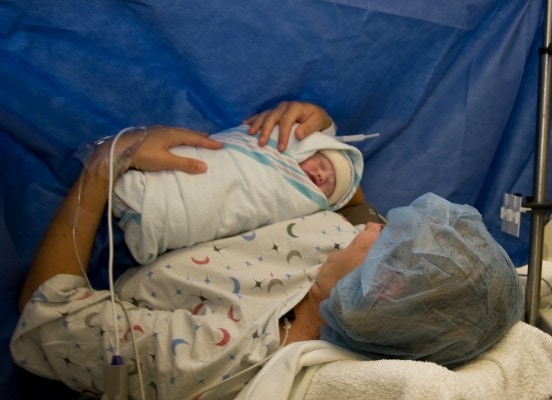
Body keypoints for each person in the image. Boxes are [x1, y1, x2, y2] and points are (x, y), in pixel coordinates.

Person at [12, 102, 523, 399]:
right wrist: (322, 146)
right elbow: (359, 210)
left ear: (382, 293)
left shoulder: (213, 355)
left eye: (388, 241)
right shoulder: (359, 285)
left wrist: (106, 164)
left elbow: (48, 313)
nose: (373, 228)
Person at [112, 121, 363, 264]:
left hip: (191, 221)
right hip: (185, 176)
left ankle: (160, 217)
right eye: (321, 165)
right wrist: (325, 122)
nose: (321, 175)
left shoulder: (302, 207)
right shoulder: (274, 150)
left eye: (326, 185)